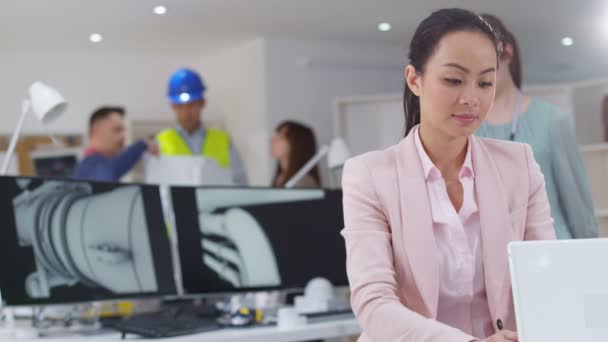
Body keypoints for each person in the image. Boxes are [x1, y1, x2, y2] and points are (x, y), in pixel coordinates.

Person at [341, 8, 556, 342]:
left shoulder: (519, 165)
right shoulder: (369, 175)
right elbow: (374, 303)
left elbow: (547, 275)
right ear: (415, 79)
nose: (471, 98)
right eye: (454, 80)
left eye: (486, 82)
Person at [475, 14, 597, 239]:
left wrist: (591, 261)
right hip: (492, 261)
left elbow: (577, 204)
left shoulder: (553, 120)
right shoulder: (465, 128)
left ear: (507, 53)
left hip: (553, 253)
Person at [156, 68, 248, 185]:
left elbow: (240, 182)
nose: (186, 112)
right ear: (172, 106)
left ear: (203, 103)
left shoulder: (223, 140)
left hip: (218, 203)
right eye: (180, 106)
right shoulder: (161, 141)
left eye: (191, 105)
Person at [73, 106, 157, 181]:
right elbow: (110, 171)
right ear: (96, 130)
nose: (123, 136)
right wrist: (142, 144)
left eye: (123, 130)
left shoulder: (91, 166)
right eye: (117, 130)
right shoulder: (90, 165)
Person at [270, 121, 321, 188]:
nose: (272, 140)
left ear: (295, 144)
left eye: (280, 137)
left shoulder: (305, 181)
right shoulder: (279, 178)